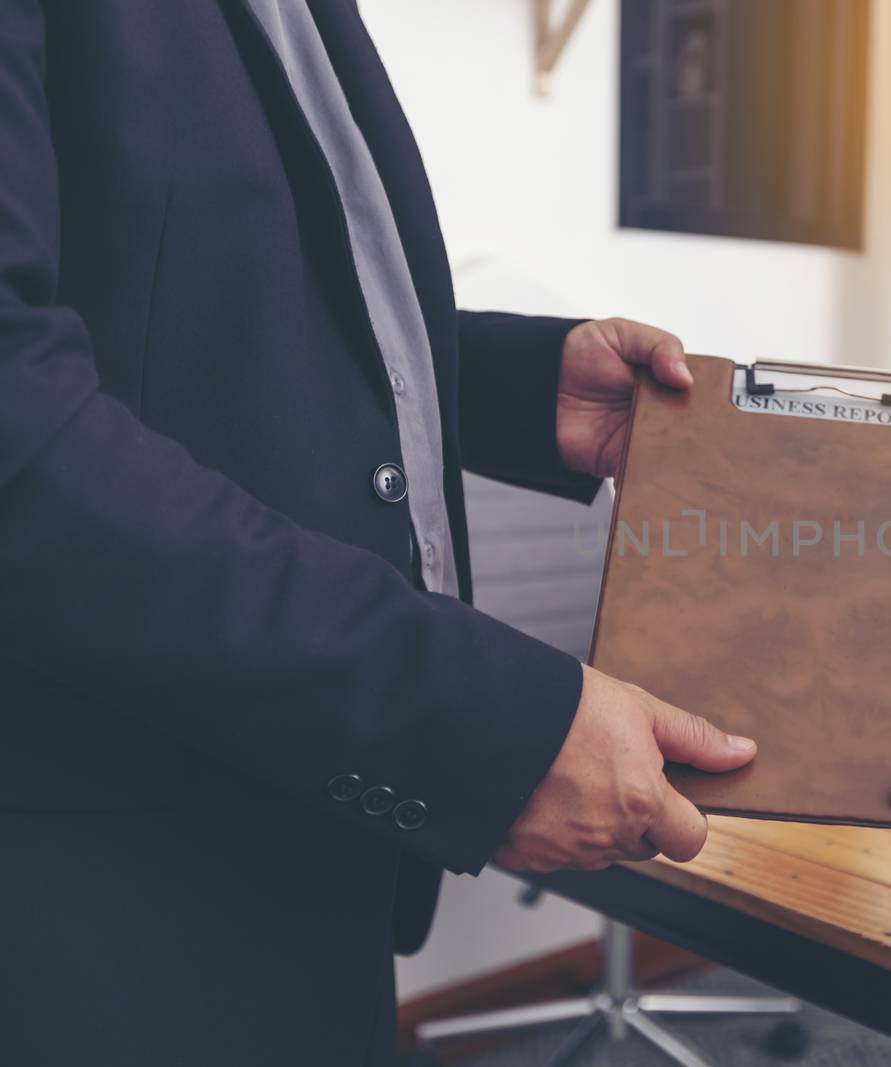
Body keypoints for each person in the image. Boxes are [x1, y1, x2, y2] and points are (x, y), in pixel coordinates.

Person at [0, 3, 752, 1065]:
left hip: (297, 839)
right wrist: (461, 719)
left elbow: (215, 309)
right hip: (99, 894)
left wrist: (508, 387)